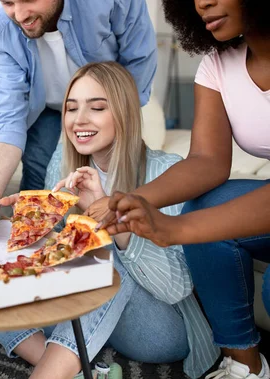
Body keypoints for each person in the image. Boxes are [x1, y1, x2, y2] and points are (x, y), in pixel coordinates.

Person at [0, 62, 218, 379]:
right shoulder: (63, 160)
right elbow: (58, 259)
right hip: (90, 313)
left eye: (96, 107)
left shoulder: (168, 172)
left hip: (160, 327)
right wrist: (32, 227)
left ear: (124, 114)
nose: (79, 120)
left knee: (102, 265)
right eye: (71, 109)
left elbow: (177, 288)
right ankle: (80, 371)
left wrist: (112, 222)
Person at [96, 0, 270, 377]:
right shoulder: (218, 66)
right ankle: (244, 364)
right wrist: (136, 199)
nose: (202, 2)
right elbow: (207, 161)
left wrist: (173, 230)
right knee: (202, 206)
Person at [0, 0, 157, 198]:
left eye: (29, 0)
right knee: (38, 174)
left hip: (108, 101)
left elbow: (138, 62)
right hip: (42, 105)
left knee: (117, 173)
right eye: (8, 2)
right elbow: (8, 117)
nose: (19, 15)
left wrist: (116, 119)